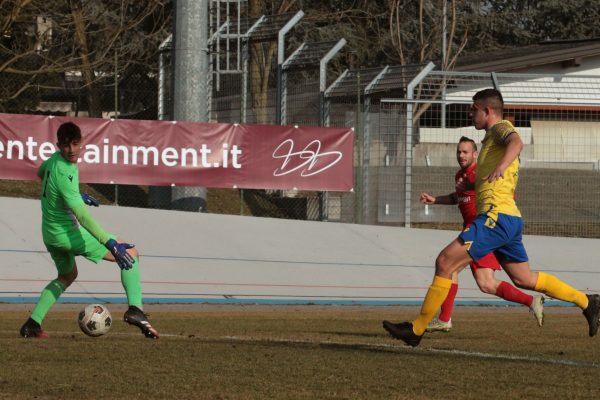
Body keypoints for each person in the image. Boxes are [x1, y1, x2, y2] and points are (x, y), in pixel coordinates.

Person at [383, 88, 600, 347]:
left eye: (473, 109)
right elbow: (474, 188)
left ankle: (416, 330)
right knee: (524, 279)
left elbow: (516, 143)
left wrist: (502, 165)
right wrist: (441, 198)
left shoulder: (500, 128)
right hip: (508, 219)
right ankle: (588, 302)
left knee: (445, 262)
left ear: (488, 111)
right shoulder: (488, 143)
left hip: (495, 218)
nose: (470, 113)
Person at [19, 122, 159, 339]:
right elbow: (83, 217)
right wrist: (109, 243)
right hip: (68, 235)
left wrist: (70, 196)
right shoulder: (66, 171)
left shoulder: (53, 161)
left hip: (50, 235)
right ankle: (135, 310)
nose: (72, 150)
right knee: (131, 253)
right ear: (59, 145)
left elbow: (41, 173)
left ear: (81, 143)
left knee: (67, 275)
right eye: (66, 146)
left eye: (75, 144)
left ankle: (33, 323)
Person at [421, 136, 543, 333]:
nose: (461, 155)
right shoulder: (460, 175)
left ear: (475, 154)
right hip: (471, 230)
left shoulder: (480, 172)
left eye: (465, 152)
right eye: (458, 152)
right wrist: (435, 200)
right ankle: (531, 301)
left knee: (452, 269)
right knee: (483, 283)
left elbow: (501, 190)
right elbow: (457, 197)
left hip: (482, 231)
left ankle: (441, 319)